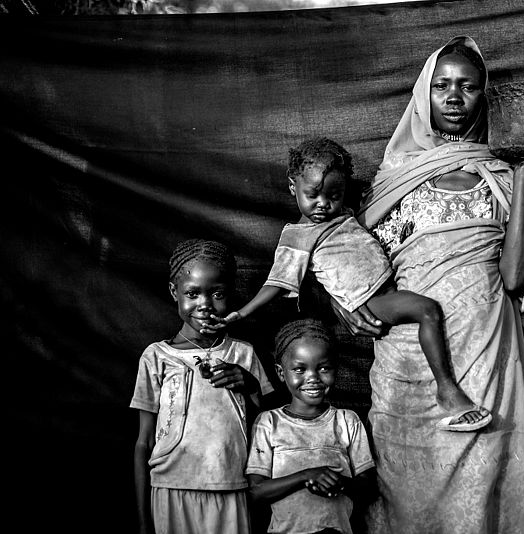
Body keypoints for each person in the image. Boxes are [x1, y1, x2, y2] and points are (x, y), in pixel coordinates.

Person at [331, 37, 524, 533]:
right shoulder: (393, 177)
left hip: (487, 350)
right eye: (441, 86)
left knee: (485, 484)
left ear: (482, 97)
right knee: (408, 491)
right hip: (406, 359)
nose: (453, 97)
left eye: (467, 87)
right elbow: (348, 256)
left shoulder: (503, 176)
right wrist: (348, 303)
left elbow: (516, 277)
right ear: (423, 95)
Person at [206, 137, 490, 431]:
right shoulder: (298, 236)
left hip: (389, 287)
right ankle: (448, 391)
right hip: (371, 302)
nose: (323, 204)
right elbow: (277, 283)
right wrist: (243, 312)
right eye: (312, 194)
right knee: (427, 310)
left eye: (334, 195)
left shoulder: (343, 214)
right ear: (293, 187)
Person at [131, 238, 274, 534]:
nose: (205, 304)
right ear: (174, 292)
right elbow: (143, 442)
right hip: (170, 489)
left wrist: (250, 385)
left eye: (217, 293)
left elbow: (268, 429)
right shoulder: (157, 357)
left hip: (231, 487)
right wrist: (144, 521)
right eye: (192, 293)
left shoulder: (243, 354)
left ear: (230, 293)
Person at [246, 318, 376, 534]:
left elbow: (368, 487)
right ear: (281, 373)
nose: (313, 378)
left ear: (336, 369)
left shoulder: (346, 420)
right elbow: (256, 492)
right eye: (299, 369)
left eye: (323, 368)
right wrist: (306, 476)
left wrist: (338, 482)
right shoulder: (269, 423)